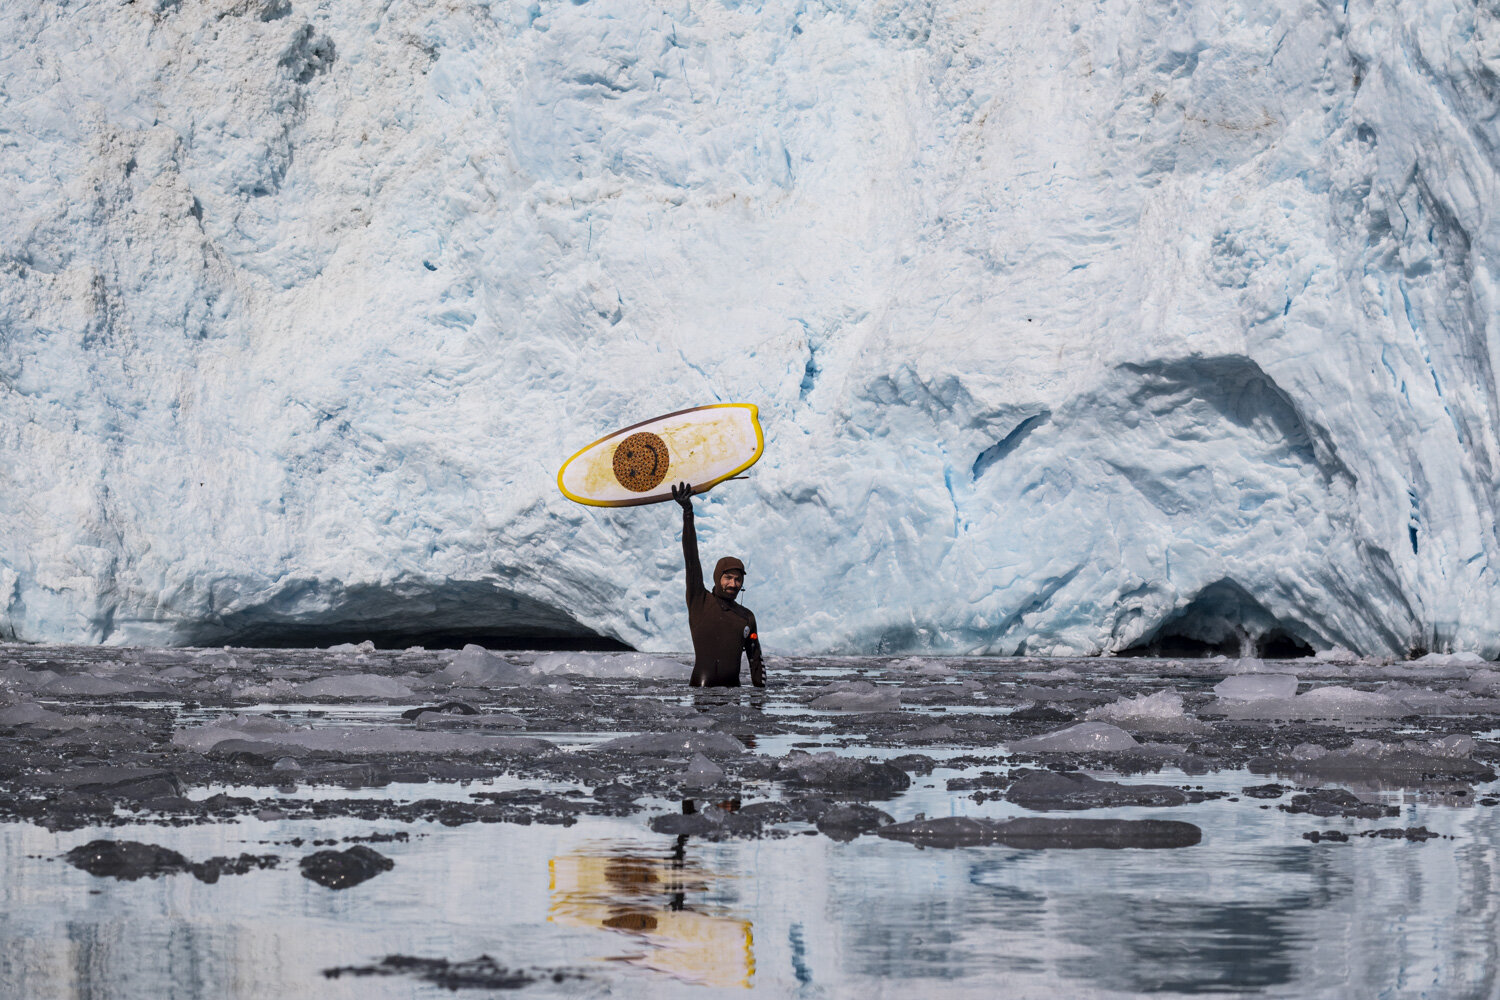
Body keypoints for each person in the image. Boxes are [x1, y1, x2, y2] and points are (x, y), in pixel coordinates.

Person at [672, 482, 764, 687]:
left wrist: (759, 700)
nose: (734, 583)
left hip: (734, 697)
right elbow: (691, 559)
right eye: (728, 577)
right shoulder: (700, 601)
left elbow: (755, 657)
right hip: (702, 691)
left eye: (738, 579)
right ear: (717, 578)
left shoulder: (747, 617)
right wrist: (688, 512)